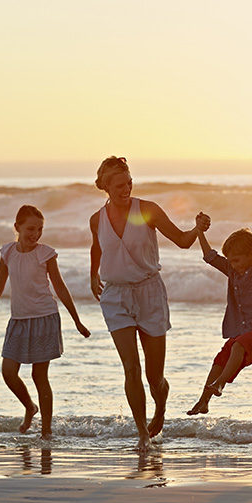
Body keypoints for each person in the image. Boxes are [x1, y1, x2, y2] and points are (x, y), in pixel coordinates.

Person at [89, 156, 210, 452]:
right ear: (105, 186)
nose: (126, 188)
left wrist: (198, 228)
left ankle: (161, 408)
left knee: (154, 376)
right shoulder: (97, 219)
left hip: (149, 293)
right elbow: (97, 245)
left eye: (129, 182)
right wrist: (94, 275)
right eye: (119, 185)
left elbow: (182, 241)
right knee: (131, 367)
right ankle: (142, 432)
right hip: (115, 296)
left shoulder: (146, 210)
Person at [0, 204, 91, 440]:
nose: (35, 234)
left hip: (44, 319)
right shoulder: (7, 252)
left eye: (40, 229)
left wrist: (77, 320)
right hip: (18, 320)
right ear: (17, 227)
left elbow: (59, 287)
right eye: (30, 228)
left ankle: (46, 431)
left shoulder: (45, 254)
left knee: (40, 377)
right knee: (8, 372)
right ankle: (30, 407)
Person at [186, 202, 252, 416]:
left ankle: (220, 385)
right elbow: (210, 256)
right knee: (220, 358)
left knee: (237, 346)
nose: (233, 265)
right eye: (231, 261)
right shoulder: (232, 270)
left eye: (237, 260)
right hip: (244, 333)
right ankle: (203, 401)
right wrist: (199, 231)